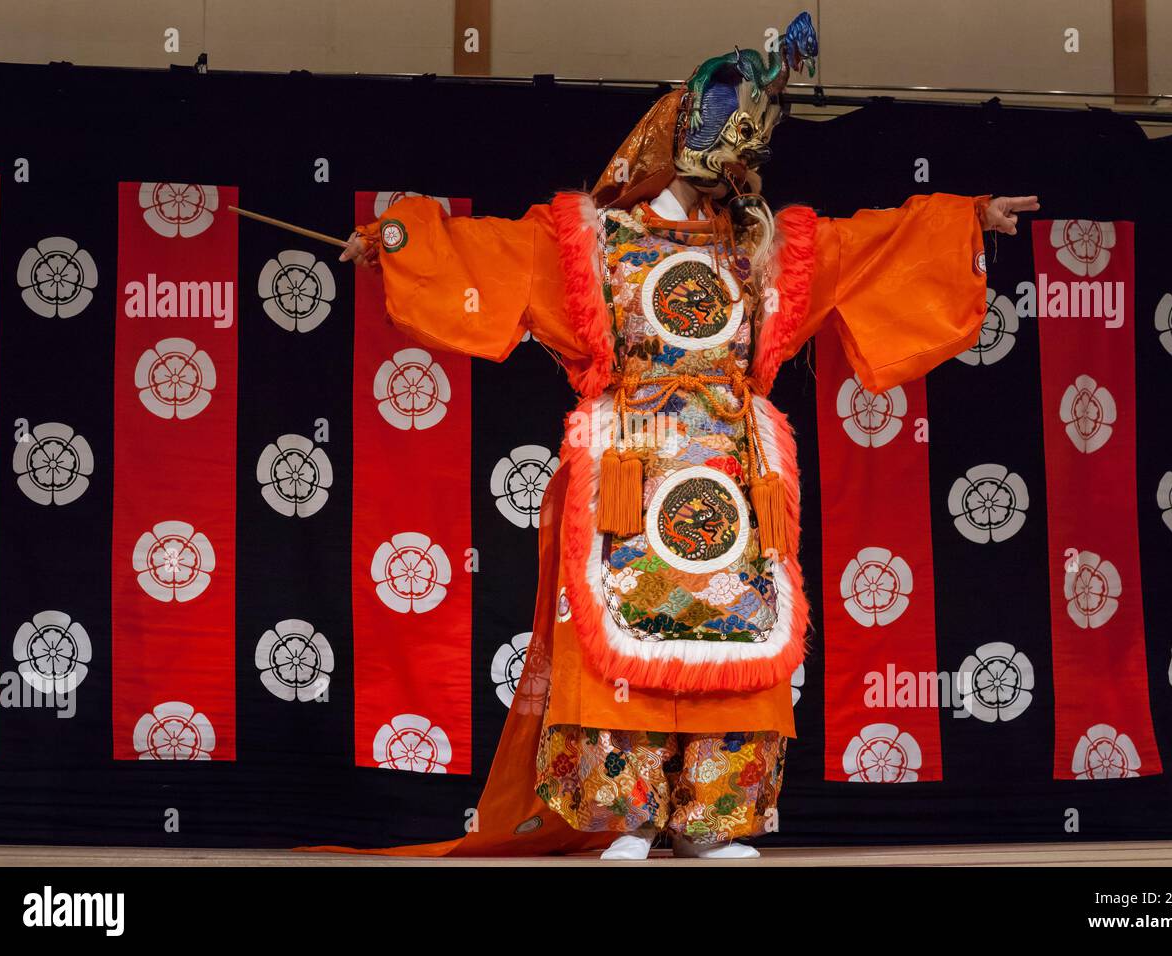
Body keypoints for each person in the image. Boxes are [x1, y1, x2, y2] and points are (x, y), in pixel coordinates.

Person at [337, 11, 1038, 861]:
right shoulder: (594, 241)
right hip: (630, 458)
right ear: (679, 136)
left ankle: (709, 817)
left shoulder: (764, 248)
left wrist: (967, 219)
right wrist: (398, 242)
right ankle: (627, 816)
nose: (735, 159)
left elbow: (867, 246)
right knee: (625, 633)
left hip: (734, 464)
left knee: (731, 627)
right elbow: (494, 255)